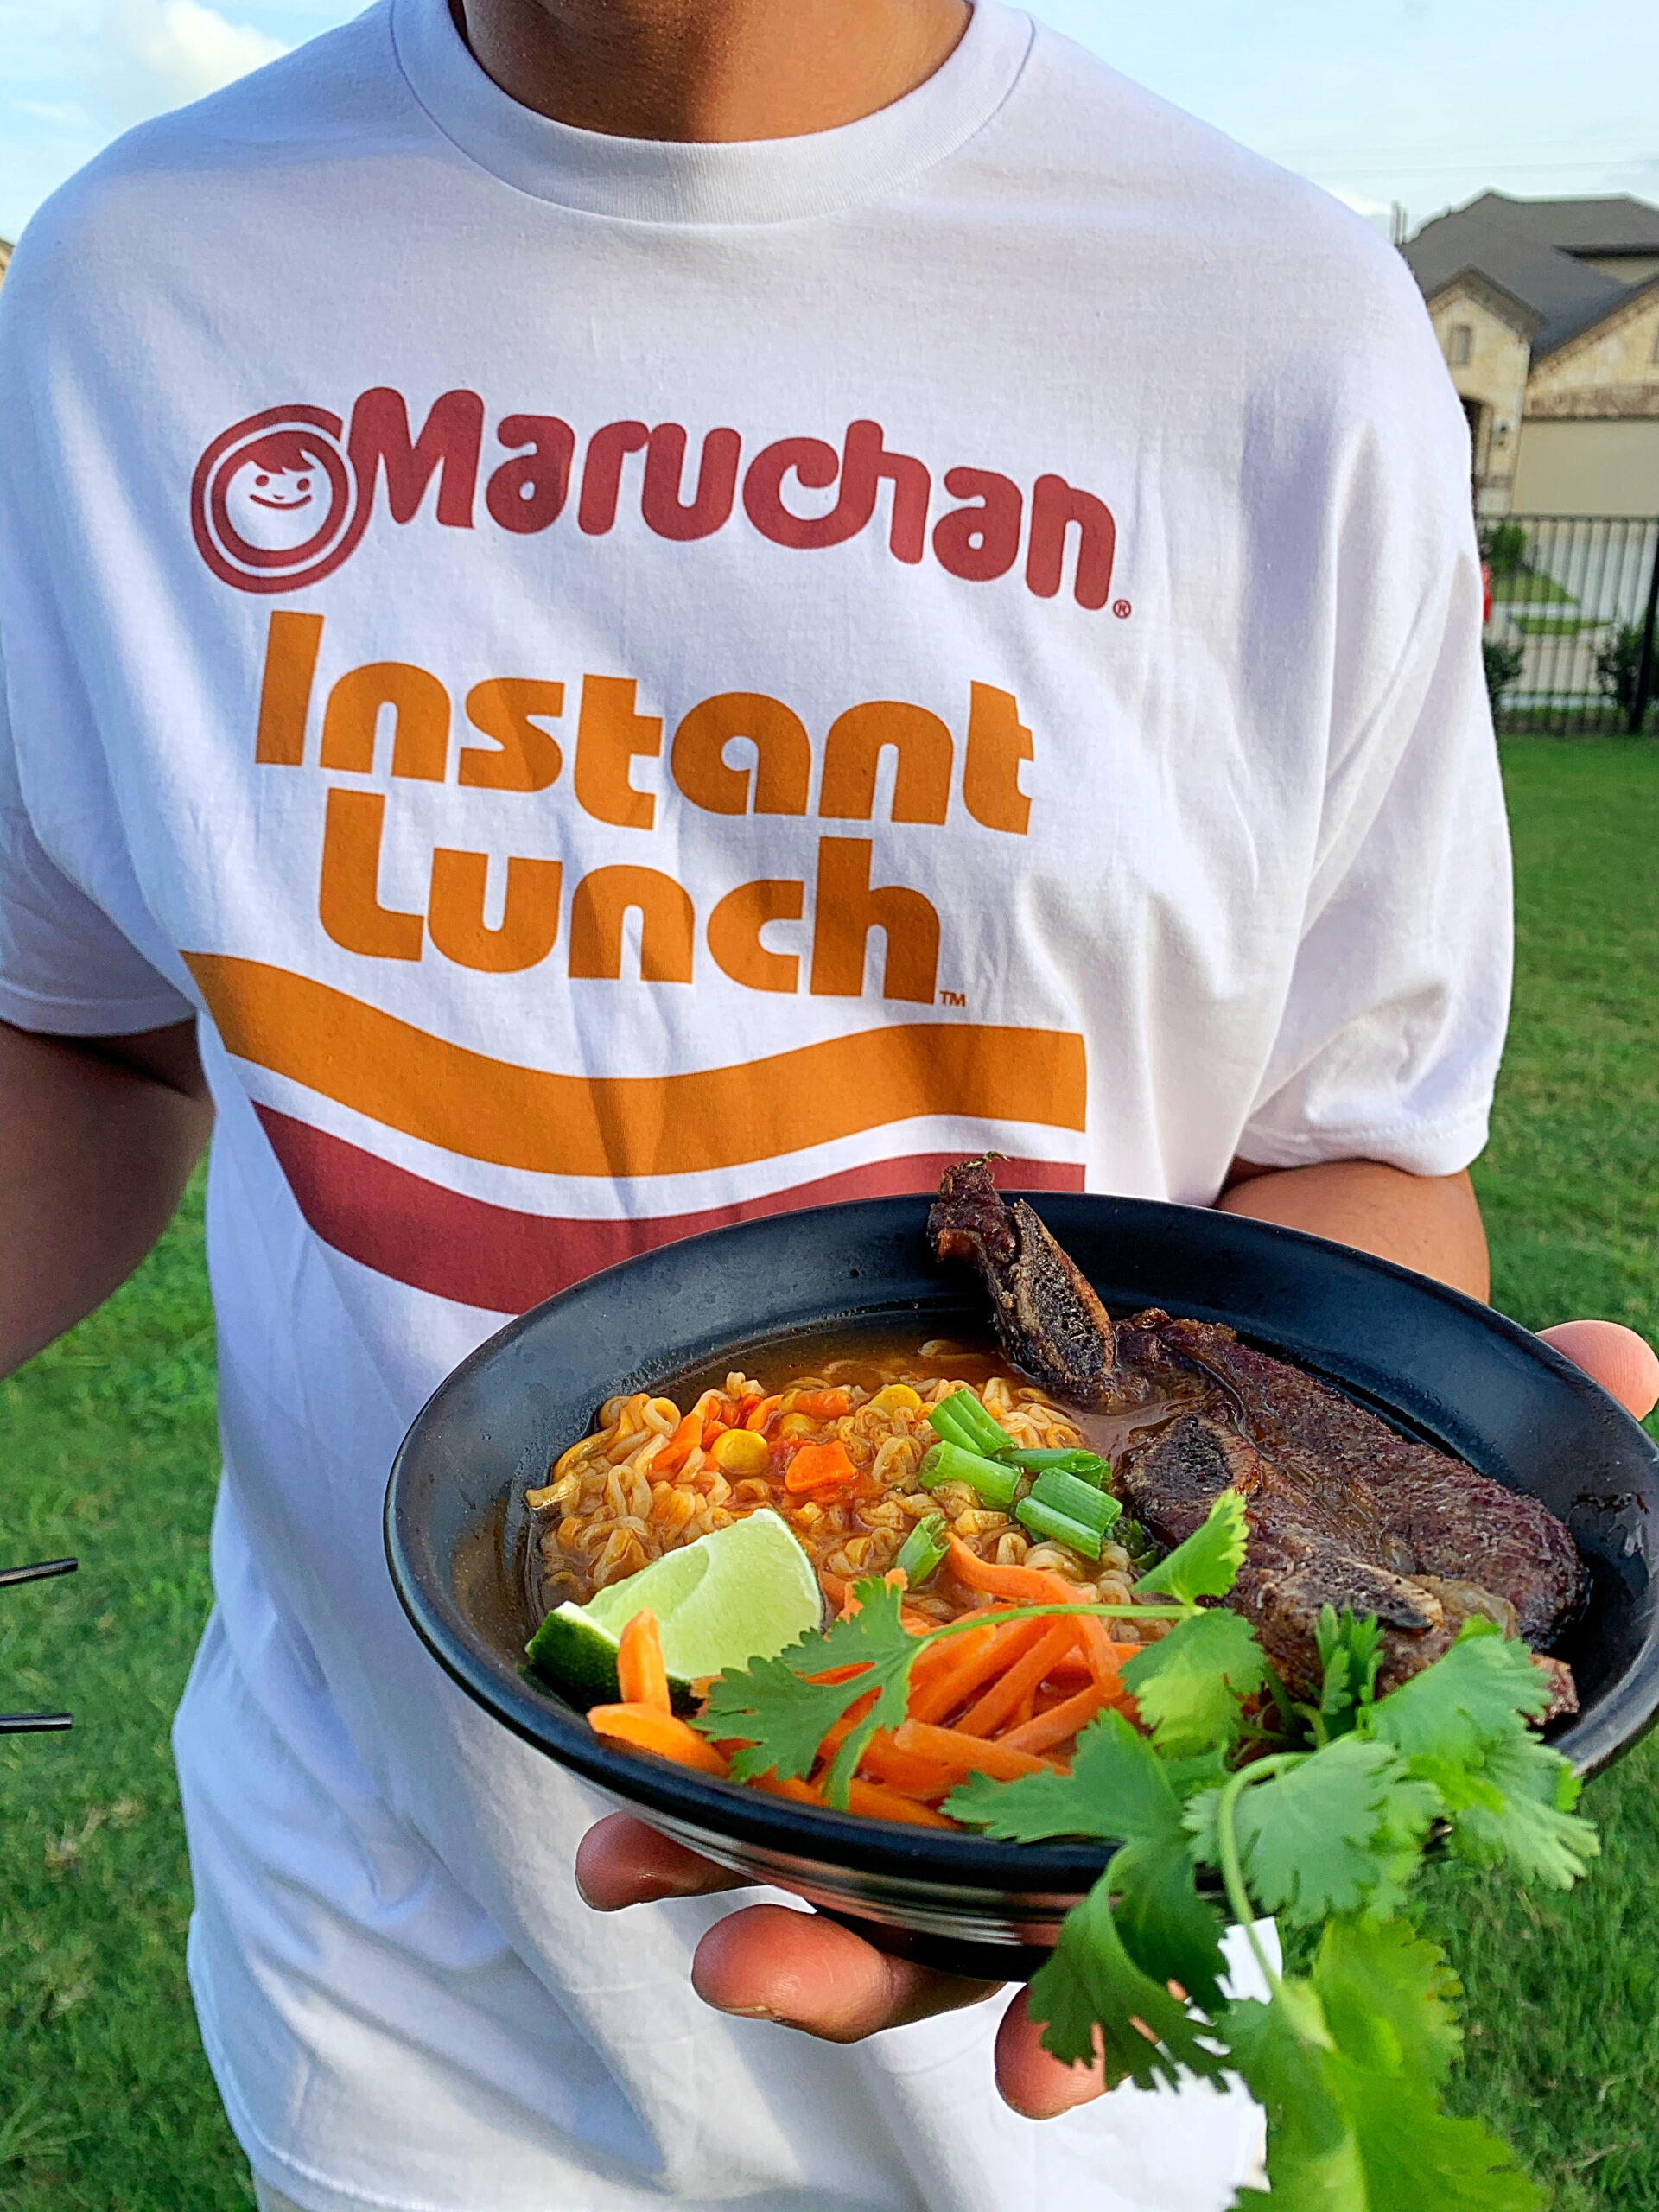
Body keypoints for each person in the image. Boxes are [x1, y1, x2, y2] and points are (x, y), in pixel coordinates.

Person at [1, 2, 1655, 2208]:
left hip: (1099, 2003)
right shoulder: (134, 286)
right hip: (396, 1990)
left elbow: (1342, 1150)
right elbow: (83, 1023)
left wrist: (1312, 1593)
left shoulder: (1280, 325)